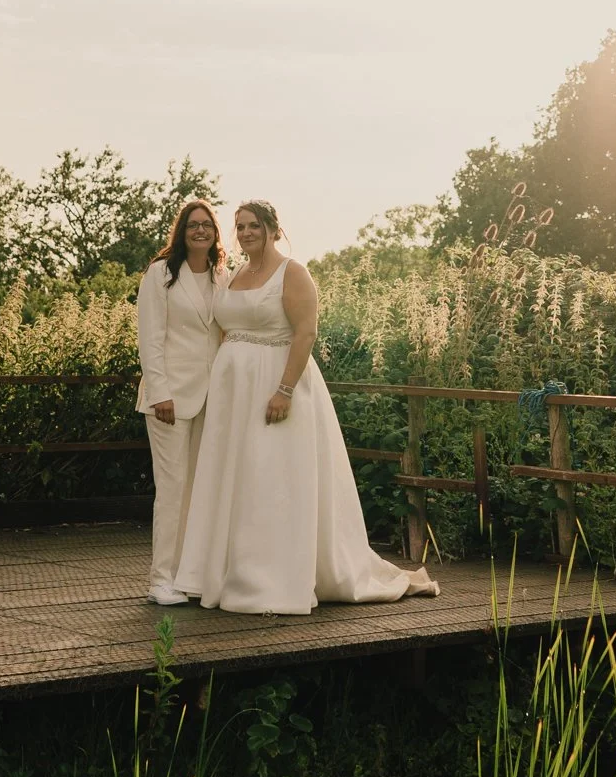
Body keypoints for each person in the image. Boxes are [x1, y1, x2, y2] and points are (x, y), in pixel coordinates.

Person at [173, 198, 439, 613]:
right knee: (237, 478)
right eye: (240, 226)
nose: (245, 233)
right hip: (233, 396)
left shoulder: (292, 273)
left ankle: (270, 577)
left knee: (271, 478)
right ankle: (225, 571)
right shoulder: (233, 275)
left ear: (273, 229)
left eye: (254, 226)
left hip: (275, 388)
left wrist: (284, 390)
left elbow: (306, 333)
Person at [134, 198, 226, 605]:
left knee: (201, 488)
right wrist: (160, 393)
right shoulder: (160, 276)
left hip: (214, 398)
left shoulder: (224, 277)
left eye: (207, 224)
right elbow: (150, 340)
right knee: (171, 489)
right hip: (170, 398)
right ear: (182, 231)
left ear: (215, 232)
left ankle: (190, 574)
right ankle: (161, 579)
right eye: (193, 225)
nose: (200, 231)